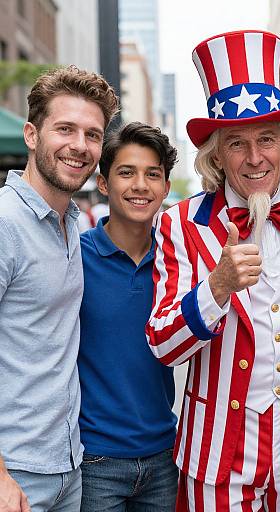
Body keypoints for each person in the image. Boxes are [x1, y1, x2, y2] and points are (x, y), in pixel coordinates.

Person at [146, 30, 280, 511]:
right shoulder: (180, 222)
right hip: (218, 450)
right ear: (215, 155)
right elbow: (164, 346)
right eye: (237, 143)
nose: (255, 158)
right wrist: (217, 286)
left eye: (267, 140)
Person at [0, 66, 118, 512]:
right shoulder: (5, 223)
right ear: (31, 135)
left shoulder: (72, 222)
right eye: (65, 129)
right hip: (15, 476)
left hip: (70, 466)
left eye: (92, 134)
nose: (80, 146)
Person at [78, 122, 179, 511]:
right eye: (127, 172)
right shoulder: (75, 256)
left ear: (166, 188)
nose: (141, 185)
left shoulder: (178, 261)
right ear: (103, 183)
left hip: (164, 456)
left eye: (152, 174)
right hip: (95, 460)